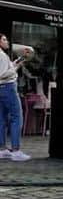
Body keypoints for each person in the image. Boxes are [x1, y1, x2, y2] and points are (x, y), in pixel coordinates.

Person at [0, 33, 31, 161]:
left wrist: (18, 61)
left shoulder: (3, 56)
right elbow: (3, 73)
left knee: (1, 118)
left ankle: (2, 149)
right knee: (17, 116)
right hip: (8, 87)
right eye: (4, 39)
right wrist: (17, 67)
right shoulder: (1, 55)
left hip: (1, 89)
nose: (7, 42)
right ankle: (16, 150)